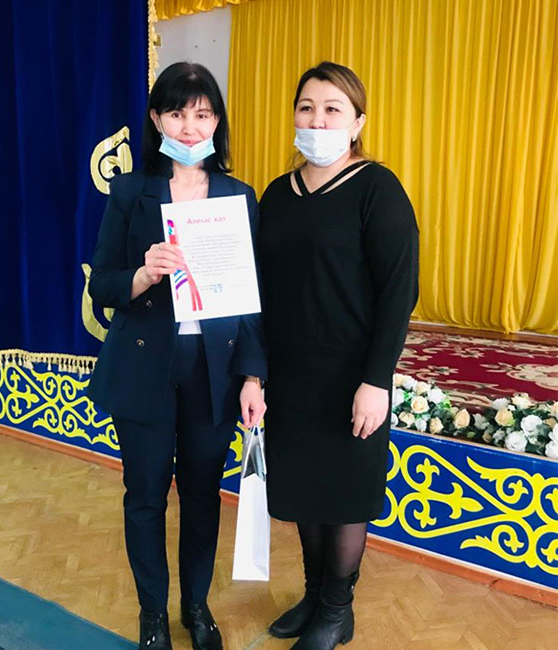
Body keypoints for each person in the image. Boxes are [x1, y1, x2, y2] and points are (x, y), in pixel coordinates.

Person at [87, 62, 267, 650]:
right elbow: (102, 284)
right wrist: (142, 274)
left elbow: (253, 300)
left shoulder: (238, 196)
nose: (190, 128)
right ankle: (153, 615)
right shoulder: (130, 192)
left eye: (203, 114)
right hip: (145, 366)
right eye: (177, 113)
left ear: (217, 121)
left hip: (213, 373)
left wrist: (253, 376)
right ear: (156, 119)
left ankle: (196, 605)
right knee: (144, 495)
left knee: (201, 494)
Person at [257, 61, 419, 650]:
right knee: (305, 488)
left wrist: (377, 380)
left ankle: (336, 610)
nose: (317, 119)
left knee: (345, 491)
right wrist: (256, 372)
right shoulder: (277, 194)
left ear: (357, 123)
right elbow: (260, 287)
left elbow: (399, 291)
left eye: (332, 109)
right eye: (307, 107)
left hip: (353, 376)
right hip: (291, 374)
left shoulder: (378, 189)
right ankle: (313, 594)